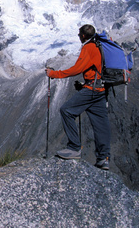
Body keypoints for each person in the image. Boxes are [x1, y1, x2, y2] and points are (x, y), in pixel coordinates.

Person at [45, 24, 110, 170]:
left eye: (79, 35)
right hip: (100, 89)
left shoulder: (88, 47)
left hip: (91, 90)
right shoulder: (99, 46)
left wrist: (54, 74)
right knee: (101, 125)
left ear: (82, 36)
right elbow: (95, 69)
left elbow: (77, 69)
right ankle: (103, 158)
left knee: (66, 110)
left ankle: (74, 148)